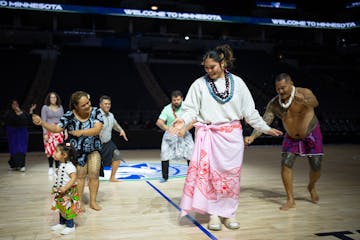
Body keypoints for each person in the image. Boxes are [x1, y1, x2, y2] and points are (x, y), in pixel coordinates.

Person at [170, 44, 282, 231]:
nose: (209, 71)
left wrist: (264, 128)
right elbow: (190, 111)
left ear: (222, 64)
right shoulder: (199, 84)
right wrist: (182, 121)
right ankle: (213, 213)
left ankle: (229, 213)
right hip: (210, 136)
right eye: (206, 68)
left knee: (231, 178)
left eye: (212, 67)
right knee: (212, 177)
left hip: (232, 138)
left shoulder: (238, 83)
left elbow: (250, 112)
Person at [245, 73, 324, 211]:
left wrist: (304, 101)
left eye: (283, 88)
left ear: (291, 84)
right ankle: (290, 199)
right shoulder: (275, 103)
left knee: (316, 166)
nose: (281, 91)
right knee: (285, 164)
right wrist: (252, 137)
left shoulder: (304, 92)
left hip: (311, 133)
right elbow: (264, 122)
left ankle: (311, 186)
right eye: (278, 89)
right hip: (291, 136)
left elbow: (315, 103)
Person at [32, 91, 104, 211]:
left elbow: (97, 129)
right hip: (78, 152)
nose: (88, 106)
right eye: (83, 105)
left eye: (88, 102)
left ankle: (93, 201)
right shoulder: (69, 115)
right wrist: (42, 123)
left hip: (94, 149)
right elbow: (56, 129)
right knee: (80, 177)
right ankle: (79, 203)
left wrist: (81, 132)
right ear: (76, 106)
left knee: (94, 175)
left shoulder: (96, 111)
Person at [156, 90, 195, 183]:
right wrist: (168, 128)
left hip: (184, 133)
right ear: (172, 100)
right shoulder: (167, 108)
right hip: (170, 134)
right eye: (174, 100)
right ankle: (165, 177)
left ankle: (192, 176)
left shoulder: (187, 107)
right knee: (165, 154)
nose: (176, 102)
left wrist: (184, 130)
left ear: (182, 99)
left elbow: (194, 120)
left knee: (191, 154)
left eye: (178, 100)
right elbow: (159, 122)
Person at [50, 142, 80, 235]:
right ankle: (62, 223)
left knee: (68, 208)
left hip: (68, 192)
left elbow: (74, 178)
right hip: (61, 191)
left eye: (56, 151)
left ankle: (70, 226)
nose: (54, 153)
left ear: (65, 155)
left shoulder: (70, 166)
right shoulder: (61, 164)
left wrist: (66, 187)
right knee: (61, 207)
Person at [99, 95, 128, 182]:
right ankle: (87, 179)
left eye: (109, 104)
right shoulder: (96, 114)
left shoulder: (111, 115)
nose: (107, 105)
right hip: (96, 144)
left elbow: (115, 125)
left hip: (108, 142)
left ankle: (112, 177)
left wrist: (121, 130)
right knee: (93, 163)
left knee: (117, 155)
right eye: (105, 104)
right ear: (100, 105)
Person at [3, 99, 36, 172]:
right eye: (13, 104)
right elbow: (9, 121)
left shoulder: (23, 112)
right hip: (13, 133)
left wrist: (30, 110)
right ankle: (14, 165)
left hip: (22, 133)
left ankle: (21, 165)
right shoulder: (9, 113)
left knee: (21, 149)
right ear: (11, 105)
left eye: (16, 104)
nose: (15, 105)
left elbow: (28, 120)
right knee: (14, 150)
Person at [41, 92, 65, 176]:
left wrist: (64, 131)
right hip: (49, 131)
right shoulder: (45, 108)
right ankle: (50, 167)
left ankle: (57, 168)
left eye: (54, 97)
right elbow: (43, 121)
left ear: (57, 98)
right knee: (50, 150)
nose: (53, 99)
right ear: (49, 99)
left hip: (58, 131)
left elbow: (63, 120)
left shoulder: (60, 107)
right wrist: (45, 134)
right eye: (51, 97)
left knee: (58, 150)